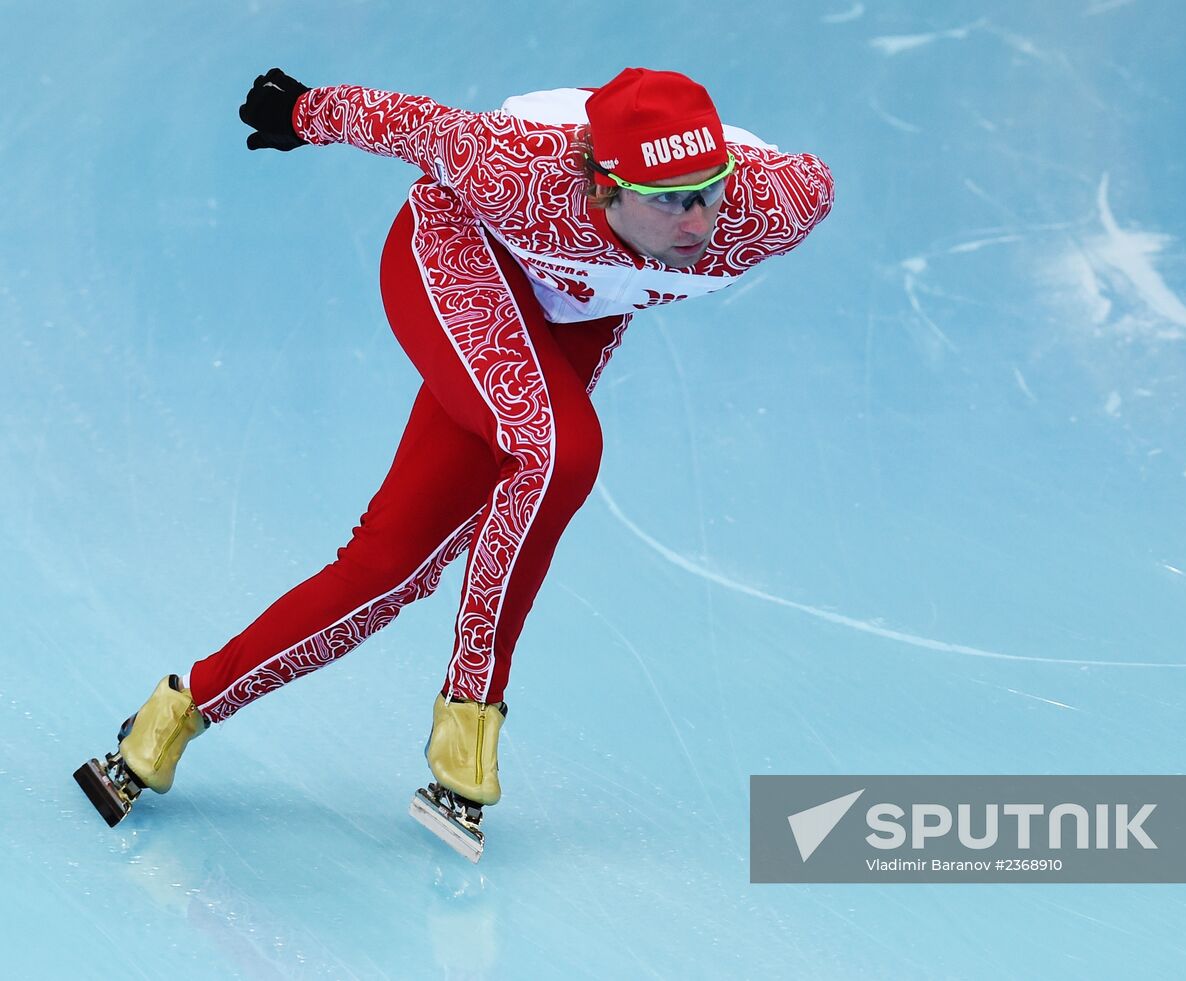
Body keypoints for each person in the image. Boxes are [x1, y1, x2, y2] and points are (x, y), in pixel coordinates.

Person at [75, 65, 834, 858]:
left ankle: (176, 709)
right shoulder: (521, 168)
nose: (700, 220)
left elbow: (808, 181)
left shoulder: (772, 204)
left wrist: (699, 197)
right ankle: (470, 714)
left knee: (388, 569)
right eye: (670, 198)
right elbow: (416, 124)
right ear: (604, 187)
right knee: (563, 449)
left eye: (709, 189)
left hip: (564, 314)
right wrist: (303, 110)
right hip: (457, 256)